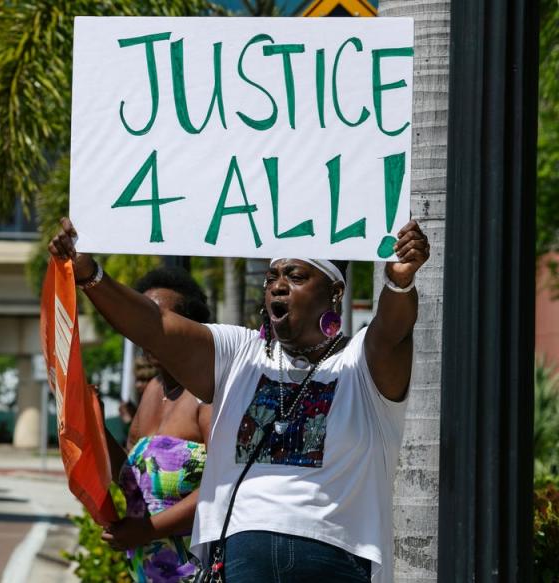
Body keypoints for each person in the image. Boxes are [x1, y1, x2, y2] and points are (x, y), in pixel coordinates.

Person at [48, 217, 430, 583]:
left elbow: (393, 331)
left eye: (295, 276)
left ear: (335, 292)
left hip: (335, 558)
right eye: (272, 277)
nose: (278, 286)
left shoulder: (361, 361)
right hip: (241, 557)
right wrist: (90, 275)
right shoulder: (240, 353)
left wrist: (398, 282)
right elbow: (156, 325)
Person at [92, 267, 214, 583]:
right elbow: (131, 480)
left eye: (156, 320)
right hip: (147, 571)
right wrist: (96, 424)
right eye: (140, 319)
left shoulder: (209, 394)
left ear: (189, 327)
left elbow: (222, 487)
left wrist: (145, 531)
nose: (145, 330)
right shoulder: (152, 391)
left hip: (199, 570)